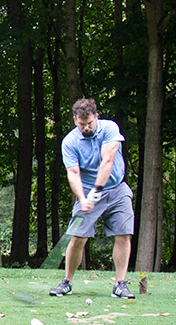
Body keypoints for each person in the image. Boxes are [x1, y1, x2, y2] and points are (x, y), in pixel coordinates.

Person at [50, 98, 137, 300]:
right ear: (74, 120)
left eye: (89, 123)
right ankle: (67, 282)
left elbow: (108, 160)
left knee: (123, 235)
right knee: (78, 237)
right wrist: (82, 198)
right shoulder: (70, 142)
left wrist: (98, 189)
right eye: (82, 124)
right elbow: (73, 174)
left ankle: (120, 284)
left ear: (96, 117)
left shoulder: (109, 129)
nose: (86, 128)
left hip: (116, 188)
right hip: (87, 190)